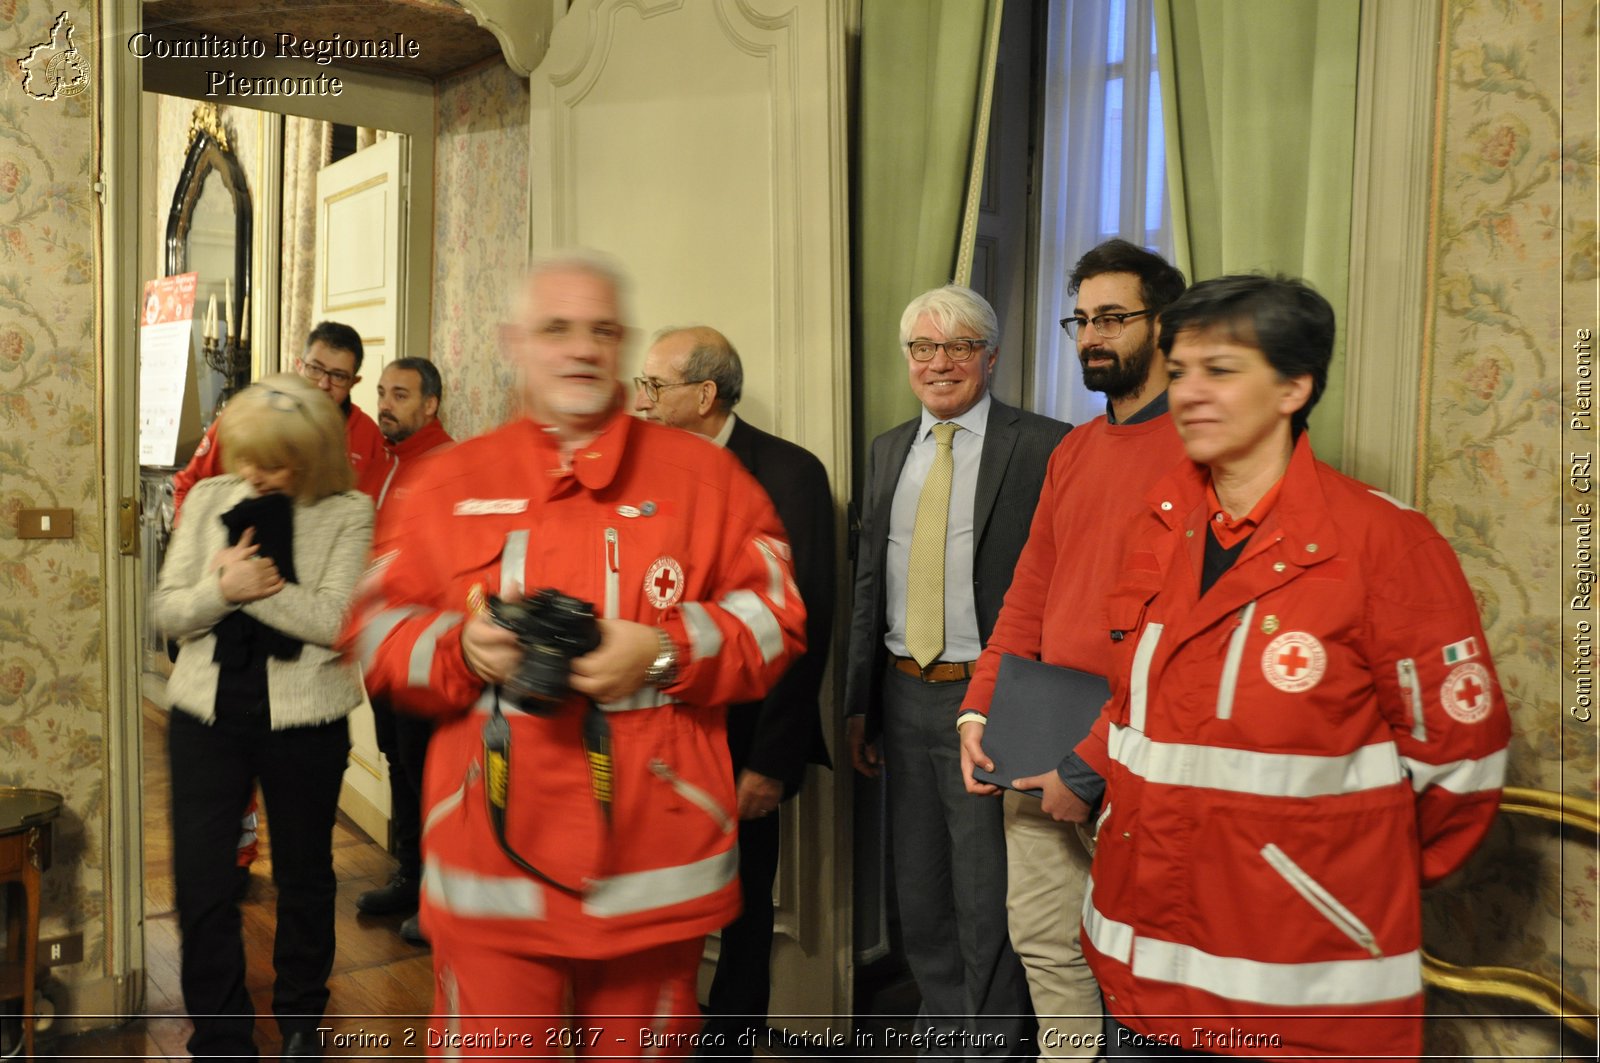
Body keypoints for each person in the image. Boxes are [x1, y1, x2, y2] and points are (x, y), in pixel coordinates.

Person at [342, 251, 806, 1054]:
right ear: (516, 342)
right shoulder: (447, 483)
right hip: (490, 867)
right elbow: (377, 630)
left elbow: (778, 620)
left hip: (653, 868)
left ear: (623, 344)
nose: (581, 349)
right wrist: (462, 648)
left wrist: (662, 650)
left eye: (601, 330)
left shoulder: (708, 479)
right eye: (557, 328)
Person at [1053, 275, 1510, 1058]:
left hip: (1298, 990)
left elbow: (1460, 771)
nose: (1188, 391)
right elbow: (1140, 706)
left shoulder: (1386, 546)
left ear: (1294, 387)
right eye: (1180, 367)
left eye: (1220, 370)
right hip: (1141, 973)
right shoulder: (1163, 524)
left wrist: (1330, 883)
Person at [956, 240, 1187, 1058]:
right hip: (1036, 738)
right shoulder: (1076, 450)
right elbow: (1028, 595)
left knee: (1142, 976)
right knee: (1048, 947)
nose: (1094, 336)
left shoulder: (1205, 450)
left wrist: (1088, 764)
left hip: (1136, 760)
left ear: (1165, 327)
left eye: (1114, 318)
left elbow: (1185, 641)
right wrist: (978, 707)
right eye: (1082, 319)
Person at [843, 284, 1068, 1057]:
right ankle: (942, 1027)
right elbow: (870, 584)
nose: (941, 363)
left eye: (960, 346)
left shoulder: (1044, 445)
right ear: (907, 358)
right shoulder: (886, 448)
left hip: (991, 696)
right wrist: (856, 706)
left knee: (988, 890)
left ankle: (991, 1042)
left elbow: (1062, 586)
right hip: (904, 695)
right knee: (922, 885)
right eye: (924, 348)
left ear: (991, 356)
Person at [152, 373, 375, 1062]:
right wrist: (219, 587)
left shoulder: (349, 511)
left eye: (274, 460)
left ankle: (303, 1018)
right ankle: (221, 1039)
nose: (253, 472)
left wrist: (247, 587)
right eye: (247, 454)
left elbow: (336, 621)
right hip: (205, 716)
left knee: (305, 874)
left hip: (307, 722)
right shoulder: (210, 498)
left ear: (312, 455)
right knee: (202, 882)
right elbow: (167, 612)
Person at [634, 325, 834, 1055]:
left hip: (746, 739)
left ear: (705, 393)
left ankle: (733, 1040)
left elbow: (803, 625)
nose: (642, 400)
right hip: (653, 735)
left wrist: (772, 762)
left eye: (655, 385)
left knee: (745, 905)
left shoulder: (789, 474)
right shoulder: (641, 471)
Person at [356, 357, 455, 945]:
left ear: (430, 405)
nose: (385, 403)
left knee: (430, 775)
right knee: (398, 762)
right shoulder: (382, 460)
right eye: (382, 391)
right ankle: (409, 874)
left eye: (400, 394)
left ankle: (439, 895)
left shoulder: (449, 466)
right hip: (383, 649)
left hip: (427, 651)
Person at [173, 320, 389, 513]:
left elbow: (373, 512)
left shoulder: (368, 435)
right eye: (315, 369)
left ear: (354, 382)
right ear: (298, 366)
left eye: (339, 376)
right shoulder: (249, 413)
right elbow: (187, 487)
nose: (324, 384)